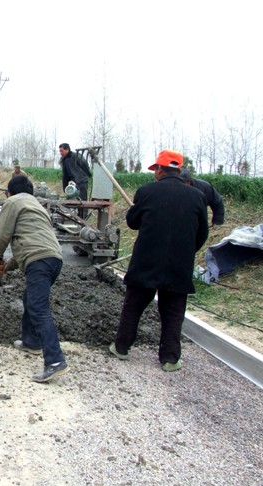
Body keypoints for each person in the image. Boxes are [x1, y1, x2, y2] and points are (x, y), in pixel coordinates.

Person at [109, 150, 209, 372]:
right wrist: (185, 252)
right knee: (173, 313)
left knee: (133, 306)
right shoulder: (197, 196)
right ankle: (170, 359)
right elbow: (202, 233)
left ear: (160, 170)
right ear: (178, 170)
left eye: (155, 169)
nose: (155, 173)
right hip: (179, 265)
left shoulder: (147, 191)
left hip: (146, 261)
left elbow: (132, 222)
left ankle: (121, 348)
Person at [0, 175, 69, 383]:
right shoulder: (37, 206)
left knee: (38, 308)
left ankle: (55, 361)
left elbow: (1, 235)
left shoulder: (12, 202)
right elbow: (30, 244)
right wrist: (7, 266)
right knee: (30, 299)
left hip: (39, 261)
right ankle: (31, 342)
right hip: (54, 259)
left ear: (9, 193)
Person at [59, 143, 92, 218]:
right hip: (73, 182)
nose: (60, 153)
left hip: (81, 181)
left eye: (62, 151)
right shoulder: (64, 160)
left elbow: (85, 165)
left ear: (67, 149)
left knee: (82, 201)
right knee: (72, 200)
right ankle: (74, 217)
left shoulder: (76, 156)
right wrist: (65, 187)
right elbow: (65, 175)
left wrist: (87, 175)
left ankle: (83, 218)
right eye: (60, 151)